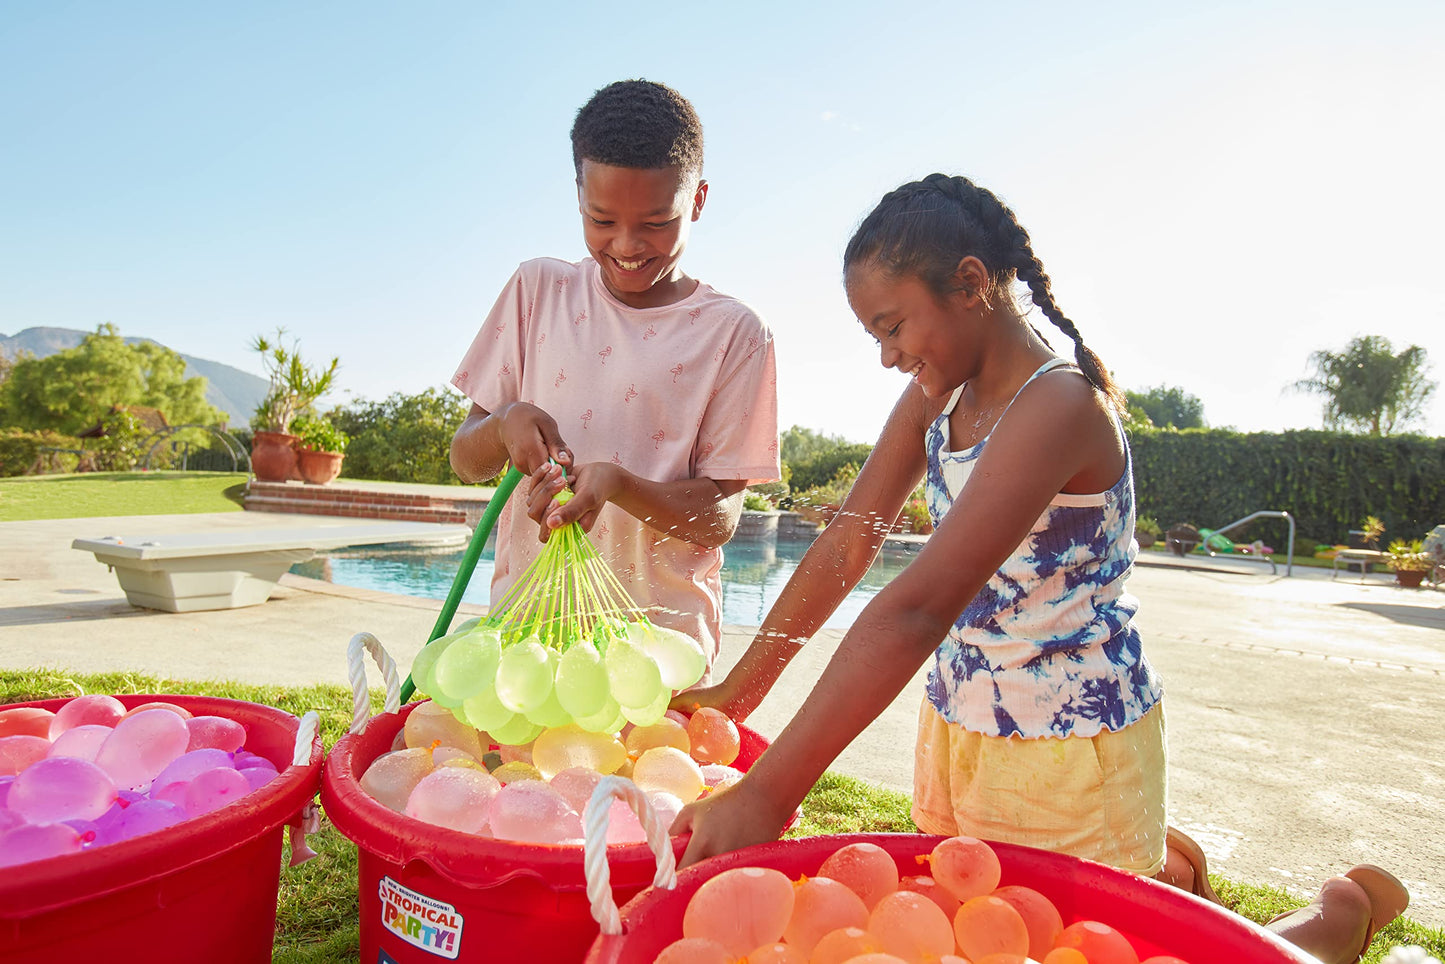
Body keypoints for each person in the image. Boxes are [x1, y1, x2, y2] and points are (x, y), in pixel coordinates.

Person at [671, 173, 1407, 964]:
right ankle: (1167, 869)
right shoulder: (935, 399)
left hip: (1070, 748)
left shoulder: (1059, 407)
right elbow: (848, 543)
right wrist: (737, 691)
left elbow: (916, 609)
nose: (886, 357)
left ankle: (1336, 919)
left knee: (1088, 949)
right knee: (985, 939)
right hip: (961, 725)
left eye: (893, 326)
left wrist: (771, 792)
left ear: (970, 283)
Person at [448, 79, 780, 678]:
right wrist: (502, 426)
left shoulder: (733, 332)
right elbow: (466, 459)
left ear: (698, 199)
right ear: (577, 197)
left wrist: (621, 486)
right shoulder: (536, 291)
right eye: (601, 219)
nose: (626, 245)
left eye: (657, 222)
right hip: (530, 650)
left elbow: (721, 517)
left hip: (657, 662)